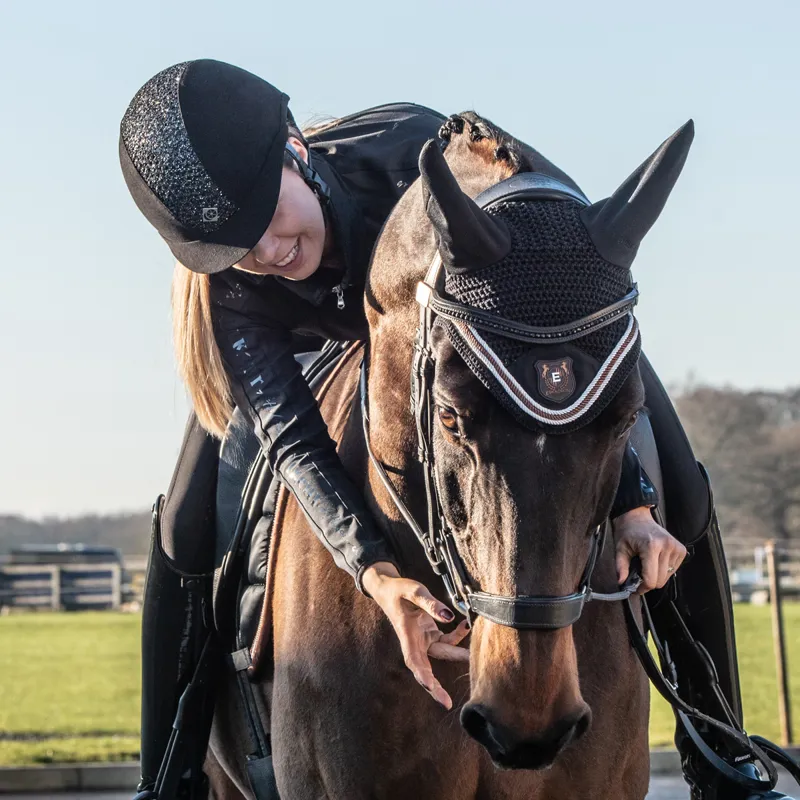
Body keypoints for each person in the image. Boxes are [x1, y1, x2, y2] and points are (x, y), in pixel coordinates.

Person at [119, 59, 687, 796]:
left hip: (477, 372)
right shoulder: (235, 287)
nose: (264, 253)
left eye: (265, 217)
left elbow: (553, 312)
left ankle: (717, 745)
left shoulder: (413, 154)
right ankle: (168, 775)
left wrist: (631, 503)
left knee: (683, 474)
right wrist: (375, 572)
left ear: (295, 151)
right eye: (234, 249)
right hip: (305, 372)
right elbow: (294, 439)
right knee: (184, 525)